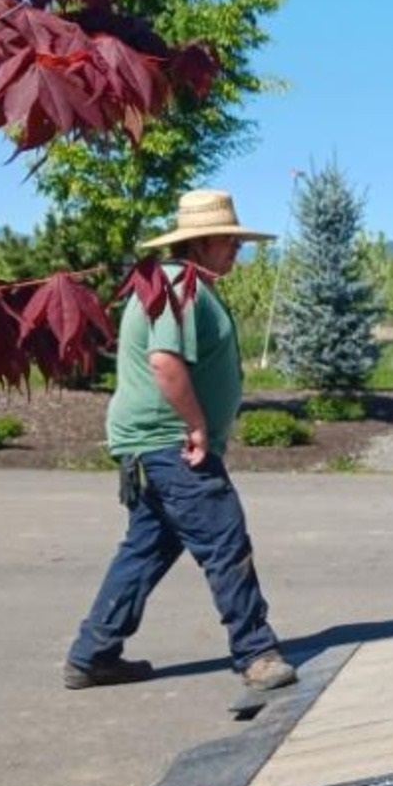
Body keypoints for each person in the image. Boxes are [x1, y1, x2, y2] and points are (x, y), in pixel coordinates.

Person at [63, 189, 298, 691]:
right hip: (169, 441)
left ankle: (93, 654)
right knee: (224, 536)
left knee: (147, 548)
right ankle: (256, 652)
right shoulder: (178, 288)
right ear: (201, 242)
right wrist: (195, 426)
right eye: (228, 241)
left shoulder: (179, 283)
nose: (237, 249)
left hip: (149, 443)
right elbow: (165, 364)